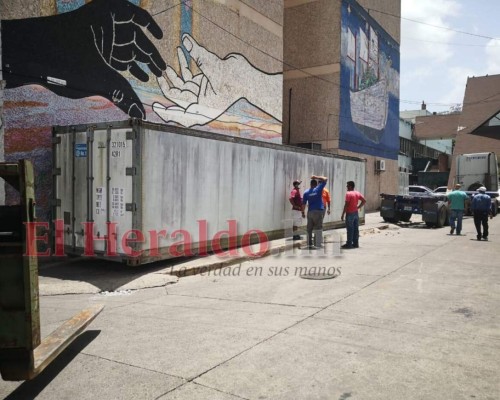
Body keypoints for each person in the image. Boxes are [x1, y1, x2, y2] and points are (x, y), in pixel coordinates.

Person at [302, 175, 328, 248]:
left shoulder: (306, 192)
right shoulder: (318, 189)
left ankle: (309, 244)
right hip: (318, 211)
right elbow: (325, 179)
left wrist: (303, 212)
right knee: (318, 228)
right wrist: (316, 177)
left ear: (310, 184)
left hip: (310, 212)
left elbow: (303, 204)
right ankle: (317, 244)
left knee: (309, 228)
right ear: (316, 185)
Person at [341, 181, 366, 249]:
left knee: (350, 229)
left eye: (347, 185)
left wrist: (343, 214)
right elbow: (364, 201)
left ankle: (349, 244)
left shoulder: (348, 194)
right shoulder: (357, 193)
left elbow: (346, 205)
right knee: (355, 229)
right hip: (355, 213)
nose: (346, 187)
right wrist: (358, 207)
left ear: (351, 186)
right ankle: (355, 243)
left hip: (350, 213)